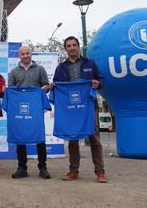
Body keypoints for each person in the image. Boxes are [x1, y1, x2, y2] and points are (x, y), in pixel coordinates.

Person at [49, 36, 107, 183]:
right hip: (70, 109)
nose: (72, 48)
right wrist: (53, 86)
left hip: (88, 106)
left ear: (78, 46)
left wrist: (97, 83)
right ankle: (73, 171)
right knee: (72, 139)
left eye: (74, 45)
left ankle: (100, 172)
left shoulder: (90, 64)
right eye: (69, 46)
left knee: (94, 138)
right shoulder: (60, 68)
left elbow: (101, 80)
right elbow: (56, 84)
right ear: (66, 49)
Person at [7, 45, 51, 179]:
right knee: (20, 136)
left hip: (36, 109)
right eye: (23, 54)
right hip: (19, 109)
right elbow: (11, 90)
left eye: (27, 53)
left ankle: (43, 167)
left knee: (39, 137)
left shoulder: (40, 69)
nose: (25, 56)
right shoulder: (14, 72)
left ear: (31, 54)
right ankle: (22, 167)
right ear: (19, 56)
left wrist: (43, 89)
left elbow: (47, 87)